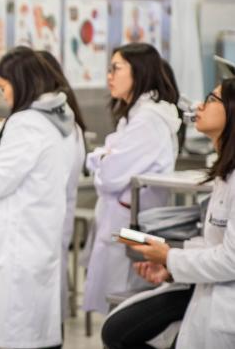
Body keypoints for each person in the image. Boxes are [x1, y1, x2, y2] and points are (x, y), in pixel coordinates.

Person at [0, 46, 77, 349]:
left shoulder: (27, 122)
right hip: (38, 241)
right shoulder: (61, 119)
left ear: (22, 83)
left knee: (17, 332)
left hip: (17, 249)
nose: (4, 95)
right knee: (34, 331)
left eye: (5, 87)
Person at [103, 79, 235, 348]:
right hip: (204, 290)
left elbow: (230, 260)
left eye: (212, 99)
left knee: (120, 333)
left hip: (223, 304)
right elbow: (215, 243)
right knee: (117, 330)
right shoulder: (225, 174)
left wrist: (170, 257)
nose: (200, 105)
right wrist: (168, 265)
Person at [83, 43, 181, 314]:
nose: (109, 76)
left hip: (133, 226)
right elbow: (107, 163)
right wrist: (104, 159)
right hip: (123, 223)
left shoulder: (148, 119)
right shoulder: (135, 116)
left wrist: (102, 160)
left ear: (138, 72)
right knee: (116, 302)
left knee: (126, 305)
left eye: (116, 68)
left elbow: (110, 176)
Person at [37, 50, 88, 322]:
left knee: (47, 297)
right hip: (51, 218)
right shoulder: (63, 123)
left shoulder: (58, 126)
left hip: (51, 219)